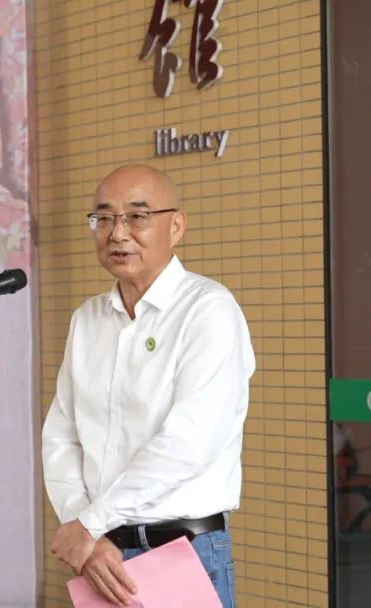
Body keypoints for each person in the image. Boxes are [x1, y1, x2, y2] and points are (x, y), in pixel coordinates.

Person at [42, 164, 255, 607]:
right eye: (104, 218)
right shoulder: (88, 319)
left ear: (176, 226)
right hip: (102, 555)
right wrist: (87, 532)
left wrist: (90, 524)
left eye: (137, 217)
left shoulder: (208, 310)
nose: (118, 233)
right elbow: (61, 435)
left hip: (181, 552)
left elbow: (190, 442)